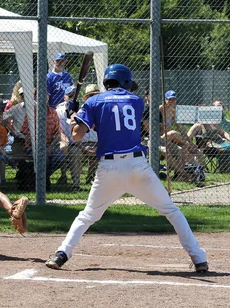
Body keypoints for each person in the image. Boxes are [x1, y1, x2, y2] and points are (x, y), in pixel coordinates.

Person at [45, 64, 208, 272]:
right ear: (124, 82)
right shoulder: (137, 101)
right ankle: (199, 258)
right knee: (171, 211)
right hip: (137, 167)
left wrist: (74, 115)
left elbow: (77, 135)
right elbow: (115, 117)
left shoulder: (94, 101)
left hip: (109, 169)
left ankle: (62, 254)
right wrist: (79, 113)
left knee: (87, 215)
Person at [56, 85, 98, 189]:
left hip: (93, 143)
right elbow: (72, 134)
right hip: (76, 144)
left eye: (75, 96)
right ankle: (76, 184)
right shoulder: (61, 111)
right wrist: (83, 148)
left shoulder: (90, 109)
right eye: (70, 96)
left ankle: (94, 180)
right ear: (65, 97)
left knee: (101, 151)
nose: (73, 98)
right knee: (75, 153)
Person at [21, 95, 65, 186]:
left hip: (50, 145)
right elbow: (25, 133)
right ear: (36, 99)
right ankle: (42, 182)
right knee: (44, 158)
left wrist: (50, 147)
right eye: (40, 96)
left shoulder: (53, 113)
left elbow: (58, 133)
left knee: (61, 158)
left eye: (45, 96)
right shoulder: (31, 113)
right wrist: (38, 146)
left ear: (48, 98)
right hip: (33, 146)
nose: (43, 98)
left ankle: (40, 178)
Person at [3, 86, 26, 154]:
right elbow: (3, 118)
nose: (25, 97)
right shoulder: (16, 108)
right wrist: (13, 130)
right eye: (22, 95)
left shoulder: (37, 106)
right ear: (20, 97)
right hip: (20, 137)